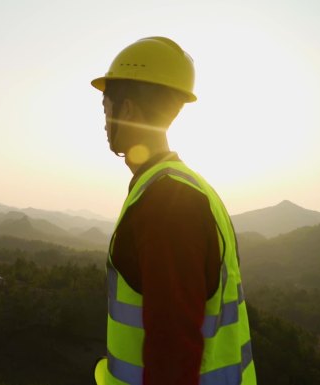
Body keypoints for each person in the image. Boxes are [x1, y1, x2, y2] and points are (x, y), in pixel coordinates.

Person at [90, 37, 256, 385]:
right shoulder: (182, 187)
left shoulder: (168, 204)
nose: (104, 121)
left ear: (129, 109)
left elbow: (173, 347)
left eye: (106, 107)